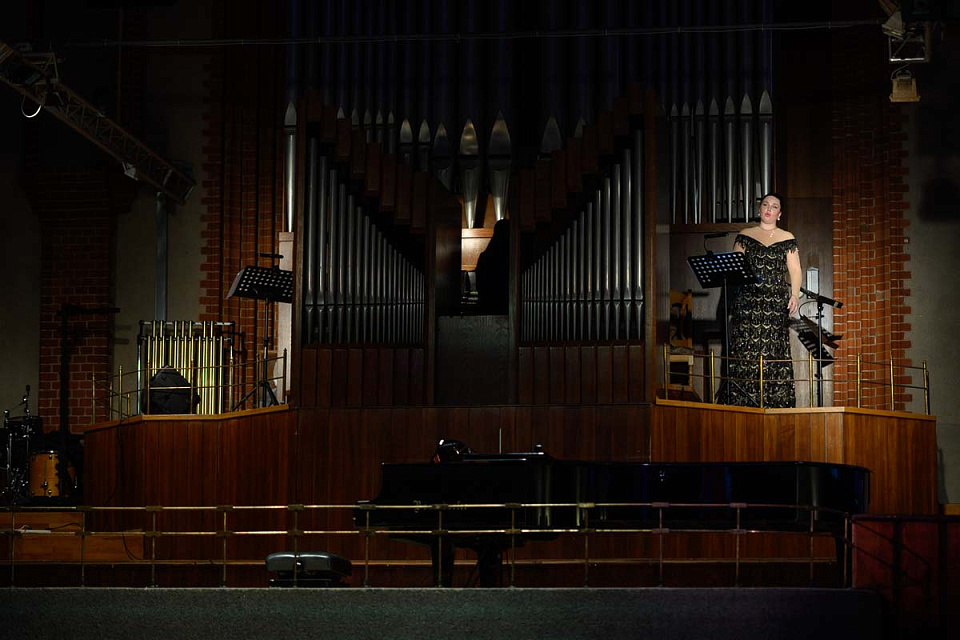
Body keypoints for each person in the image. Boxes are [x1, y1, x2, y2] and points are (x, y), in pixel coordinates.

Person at [726, 193, 801, 408]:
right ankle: (742, 405)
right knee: (746, 353)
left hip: (775, 304)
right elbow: (735, 268)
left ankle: (774, 404)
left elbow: (796, 271)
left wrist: (794, 295)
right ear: (759, 209)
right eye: (765, 204)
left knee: (773, 352)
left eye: (774, 206)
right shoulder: (745, 235)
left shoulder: (787, 237)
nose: (769, 209)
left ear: (780, 213)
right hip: (747, 304)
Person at [474, 218, 510, 314]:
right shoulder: (513, 258)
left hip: (487, 307)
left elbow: (479, 286)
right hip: (506, 307)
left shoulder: (485, 257)